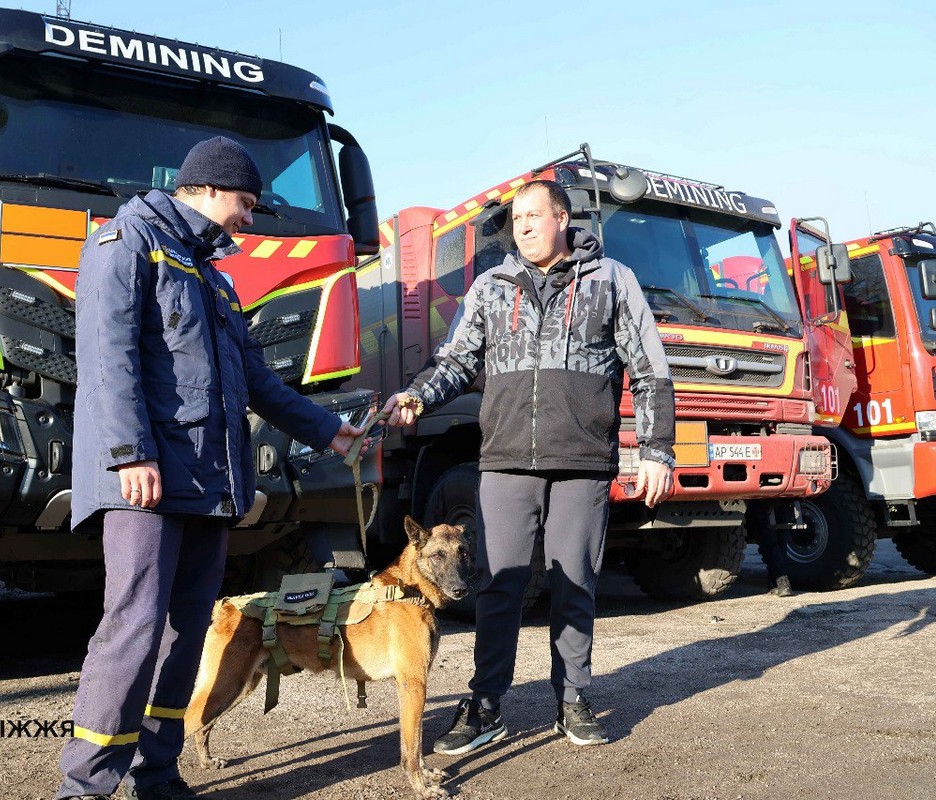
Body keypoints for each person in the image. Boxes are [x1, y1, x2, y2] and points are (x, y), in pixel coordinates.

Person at [58, 136, 364, 800]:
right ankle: (83, 787)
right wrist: (129, 452)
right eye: (246, 204)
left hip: (205, 483)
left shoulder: (214, 281)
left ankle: (158, 775)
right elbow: (108, 356)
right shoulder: (127, 242)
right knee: (134, 627)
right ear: (209, 187)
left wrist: (330, 431)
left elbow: (259, 383)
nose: (249, 221)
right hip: (146, 475)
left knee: (185, 630)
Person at [382, 179, 675, 752]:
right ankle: (487, 706)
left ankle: (573, 701)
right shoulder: (492, 286)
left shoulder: (612, 280)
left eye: (533, 216)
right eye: (516, 219)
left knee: (575, 584)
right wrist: (418, 395)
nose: (522, 227)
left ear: (563, 218)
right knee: (498, 585)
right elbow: (457, 359)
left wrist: (657, 449)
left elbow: (649, 367)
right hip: (507, 459)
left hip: (582, 460)